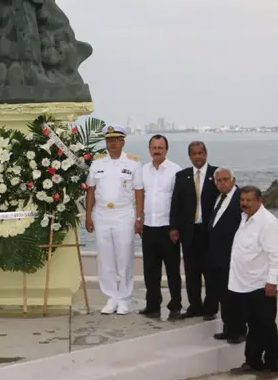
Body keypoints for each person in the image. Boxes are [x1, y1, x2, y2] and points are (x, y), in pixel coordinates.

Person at [85, 124, 144, 315]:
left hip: (124, 214)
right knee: (105, 258)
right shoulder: (97, 164)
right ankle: (111, 297)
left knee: (125, 257)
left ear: (123, 142)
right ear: (106, 142)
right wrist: (88, 216)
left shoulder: (133, 163)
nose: (113, 144)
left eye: (116, 140)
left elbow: (139, 192)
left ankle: (125, 298)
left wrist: (139, 217)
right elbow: (91, 191)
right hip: (102, 214)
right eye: (109, 140)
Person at [228, 186, 278, 380]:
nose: (244, 203)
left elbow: (275, 256)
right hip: (244, 282)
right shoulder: (245, 218)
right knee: (253, 325)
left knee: (266, 325)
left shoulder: (268, 223)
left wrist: (272, 282)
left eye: (248, 200)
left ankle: (272, 366)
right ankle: (253, 361)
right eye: (242, 200)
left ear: (260, 201)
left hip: (262, 283)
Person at [169, 141, 219, 319]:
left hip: (209, 232)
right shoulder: (182, 176)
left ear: (206, 154)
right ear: (189, 156)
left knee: (210, 272)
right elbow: (176, 203)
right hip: (189, 232)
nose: (197, 156)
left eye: (200, 153)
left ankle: (210, 308)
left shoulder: (217, 174)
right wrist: (174, 227)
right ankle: (194, 306)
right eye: (194, 154)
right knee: (191, 272)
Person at [138, 135, 182, 319]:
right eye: (154, 147)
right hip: (149, 227)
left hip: (168, 229)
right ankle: (153, 305)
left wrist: (176, 227)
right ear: (149, 149)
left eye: (160, 147)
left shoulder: (175, 171)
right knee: (150, 270)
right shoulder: (142, 171)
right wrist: (139, 219)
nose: (157, 150)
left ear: (166, 149)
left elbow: (180, 201)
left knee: (172, 270)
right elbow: (140, 197)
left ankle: (175, 304)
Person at [206, 168, 246, 343]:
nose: (222, 183)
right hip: (218, 256)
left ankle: (239, 330)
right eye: (219, 180)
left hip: (233, 256)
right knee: (224, 295)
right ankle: (228, 328)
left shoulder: (240, 199)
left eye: (225, 179)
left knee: (235, 296)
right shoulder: (219, 199)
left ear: (233, 180)